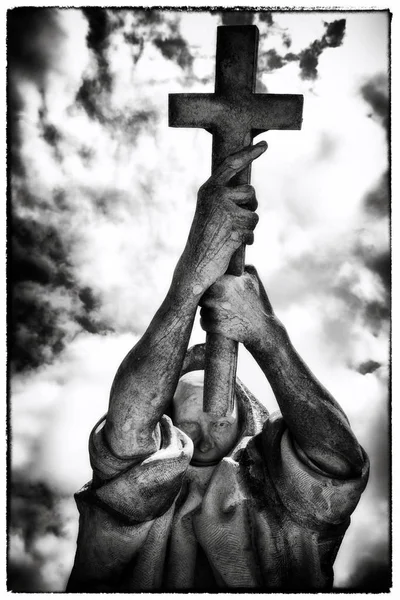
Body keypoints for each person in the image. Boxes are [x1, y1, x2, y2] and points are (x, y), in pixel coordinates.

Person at [67, 142, 369, 592]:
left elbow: (338, 464)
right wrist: (190, 279)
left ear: (245, 422)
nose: (205, 436)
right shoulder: (141, 484)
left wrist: (266, 336)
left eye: (219, 420)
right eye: (187, 419)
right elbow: (129, 430)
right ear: (165, 421)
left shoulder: (275, 488)